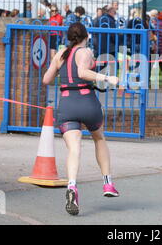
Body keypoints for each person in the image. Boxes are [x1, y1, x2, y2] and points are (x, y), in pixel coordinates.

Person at [43, 22, 120, 215]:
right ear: (86, 36)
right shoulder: (85, 52)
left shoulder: (60, 54)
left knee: (74, 148)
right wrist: (107, 78)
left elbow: (46, 80)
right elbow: (82, 73)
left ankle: (72, 186)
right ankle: (108, 184)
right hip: (87, 101)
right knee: (99, 138)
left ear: (69, 38)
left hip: (67, 104)